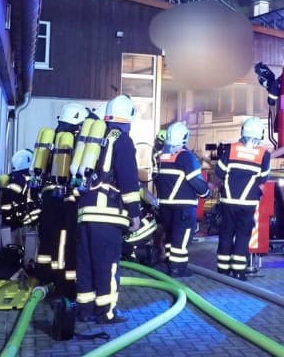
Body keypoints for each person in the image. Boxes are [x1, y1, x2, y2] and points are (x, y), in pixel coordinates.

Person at [75, 95, 143, 324]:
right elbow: (128, 179)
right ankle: (106, 313)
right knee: (107, 265)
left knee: (86, 264)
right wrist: (135, 214)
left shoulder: (94, 136)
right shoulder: (122, 140)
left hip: (84, 212)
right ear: (129, 119)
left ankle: (85, 310)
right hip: (107, 214)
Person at [36, 102, 87, 292]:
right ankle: (64, 283)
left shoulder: (52, 138)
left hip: (48, 195)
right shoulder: (72, 141)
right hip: (66, 199)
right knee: (64, 239)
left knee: (48, 238)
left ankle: (44, 276)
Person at [215, 116, 271, 281]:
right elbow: (263, 179)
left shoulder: (230, 150)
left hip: (228, 202)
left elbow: (219, 173)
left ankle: (222, 270)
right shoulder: (263, 155)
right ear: (260, 134)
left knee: (225, 233)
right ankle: (238, 272)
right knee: (243, 235)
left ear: (243, 132)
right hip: (248, 204)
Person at [153, 121, 210, 277]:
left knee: (171, 237)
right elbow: (196, 181)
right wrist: (206, 193)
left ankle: (169, 264)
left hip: (166, 206)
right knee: (181, 240)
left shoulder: (160, 156)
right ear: (184, 137)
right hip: (184, 207)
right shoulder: (185, 157)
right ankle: (178, 269)